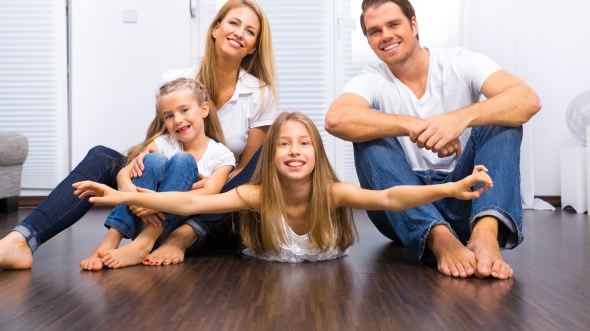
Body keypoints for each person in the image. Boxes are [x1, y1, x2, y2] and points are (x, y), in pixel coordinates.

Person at [0, 0, 277, 272]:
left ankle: (177, 238)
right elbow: (154, 147)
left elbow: (246, 171)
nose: (239, 33)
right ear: (215, 28)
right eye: (233, 23)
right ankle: (21, 240)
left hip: (212, 205)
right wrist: (130, 191)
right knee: (103, 156)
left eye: (250, 31)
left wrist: (207, 189)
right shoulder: (176, 79)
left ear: (253, 47)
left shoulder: (260, 94)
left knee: (260, 162)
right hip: (160, 190)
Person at [73, 112, 494, 263]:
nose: (295, 152)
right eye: (285, 145)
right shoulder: (255, 195)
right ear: (271, 156)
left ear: (317, 153)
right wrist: (124, 194)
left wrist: (450, 189)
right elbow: (188, 200)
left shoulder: (330, 191)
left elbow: (388, 197)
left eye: (304, 144)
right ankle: (164, 241)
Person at [324, 0, 542, 279]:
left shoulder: (459, 62)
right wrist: (415, 125)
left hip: (466, 195)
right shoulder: (371, 79)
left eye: (393, 25)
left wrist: (458, 119)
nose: (385, 35)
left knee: (503, 119)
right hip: (401, 204)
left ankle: (486, 234)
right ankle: (440, 239)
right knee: (368, 137)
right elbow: (337, 119)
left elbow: (528, 100)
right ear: (369, 41)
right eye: (374, 31)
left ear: (414, 25)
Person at [80, 77, 235, 270]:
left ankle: (144, 244)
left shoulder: (221, 155)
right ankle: (110, 240)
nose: (177, 120)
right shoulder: (164, 142)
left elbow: (210, 193)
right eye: (169, 116)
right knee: (152, 160)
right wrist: (133, 196)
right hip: (145, 218)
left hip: (179, 234)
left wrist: (158, 200)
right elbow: (123, 174)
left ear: (204, 109)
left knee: (183, 160)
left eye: (184, 110)